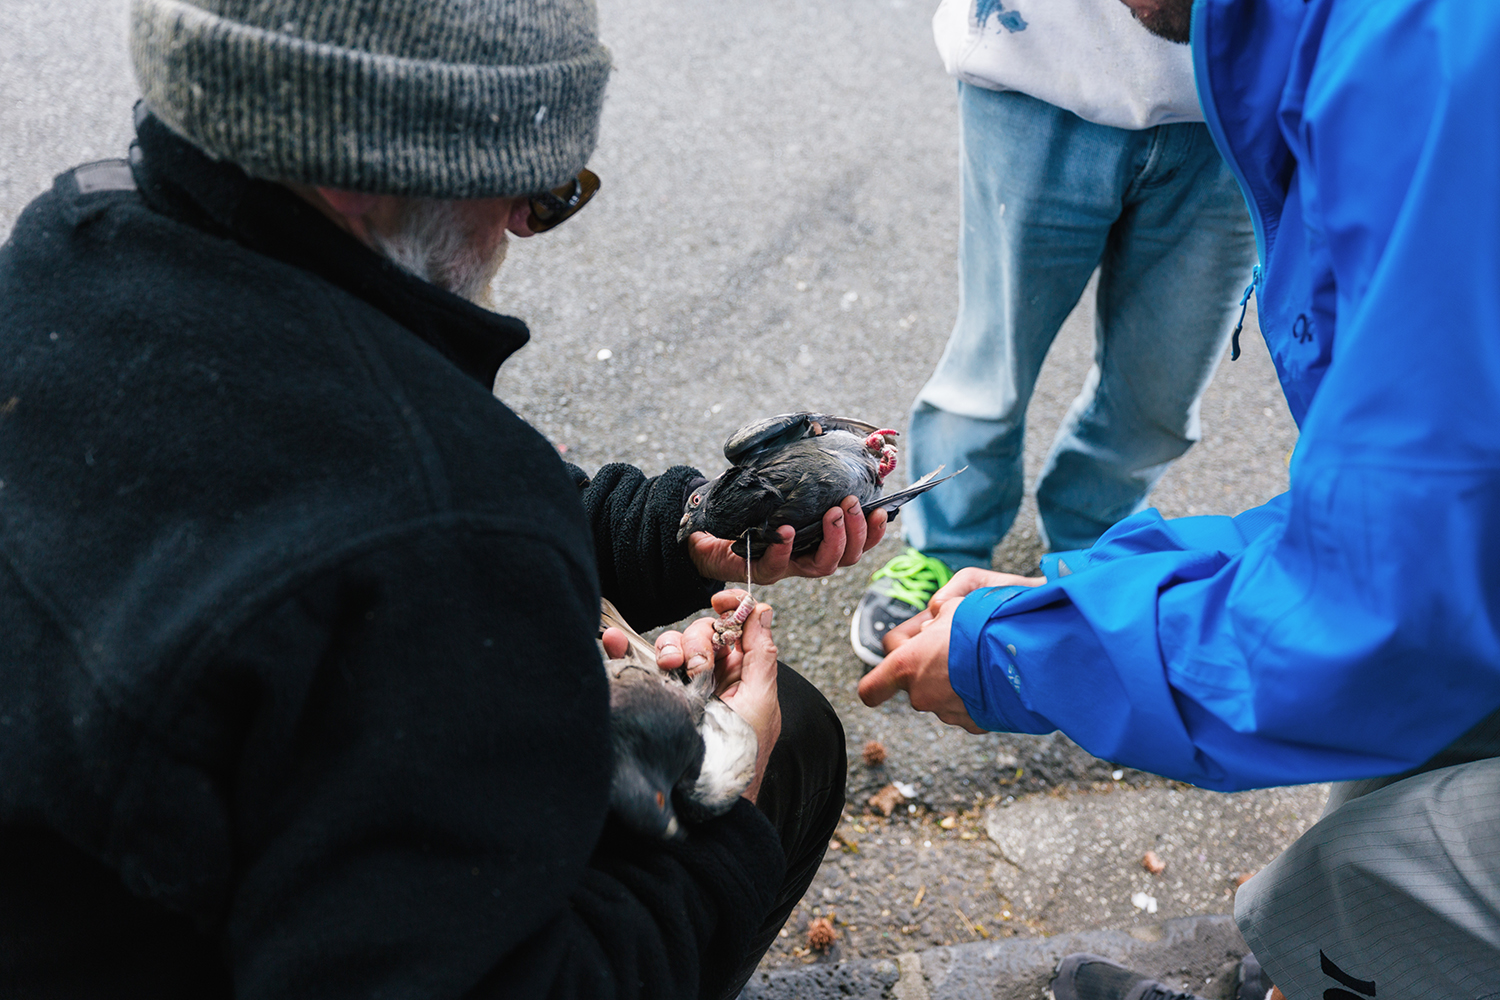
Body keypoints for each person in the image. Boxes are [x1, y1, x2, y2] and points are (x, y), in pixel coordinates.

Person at [0, 1, 887, 996]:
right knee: (790, 739)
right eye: (538, 187)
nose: (523, 223)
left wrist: (681, 535)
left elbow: (377, 503)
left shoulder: (61, 256)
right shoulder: (436, 520)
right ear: (350, 160)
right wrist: (734, 782)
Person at [861, 0, 1500, 996]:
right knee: (1382, 790)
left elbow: (1389, 608)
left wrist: (1024, 650)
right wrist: (1058, 611)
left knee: (1338, 886)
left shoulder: (1426, 64)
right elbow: (1423, 529)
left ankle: (1324, 959)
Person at [849, 0, 1258, 667]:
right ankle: (943, 550)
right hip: (1036, 70)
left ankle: (1090, 557)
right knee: (993, 363)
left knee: (1161, 387)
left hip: (1234, 101)